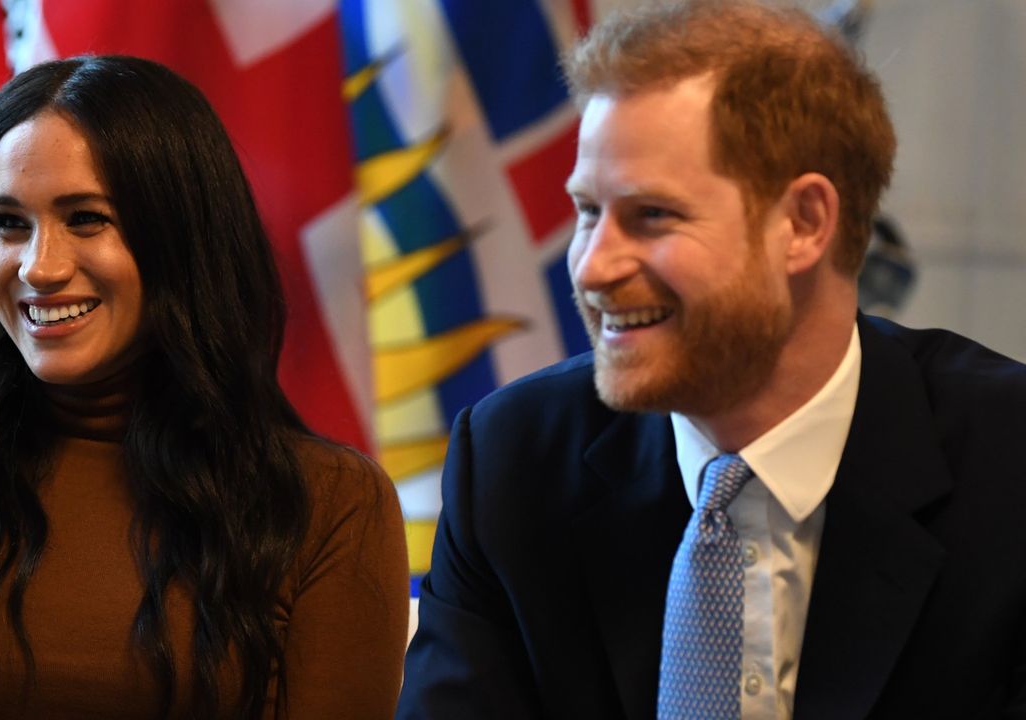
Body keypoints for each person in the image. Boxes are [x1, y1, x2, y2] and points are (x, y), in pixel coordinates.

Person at [397, 1, 1026, 718]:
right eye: (587, 213)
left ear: (804, 223)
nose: (593, 268)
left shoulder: (1008, 466)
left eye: (652, 216)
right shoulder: (513, 463)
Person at [0, 55, 409, 720]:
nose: (39, 266)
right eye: (9, 223)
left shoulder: (329, 503)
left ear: (184, 240)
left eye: (86, 218)